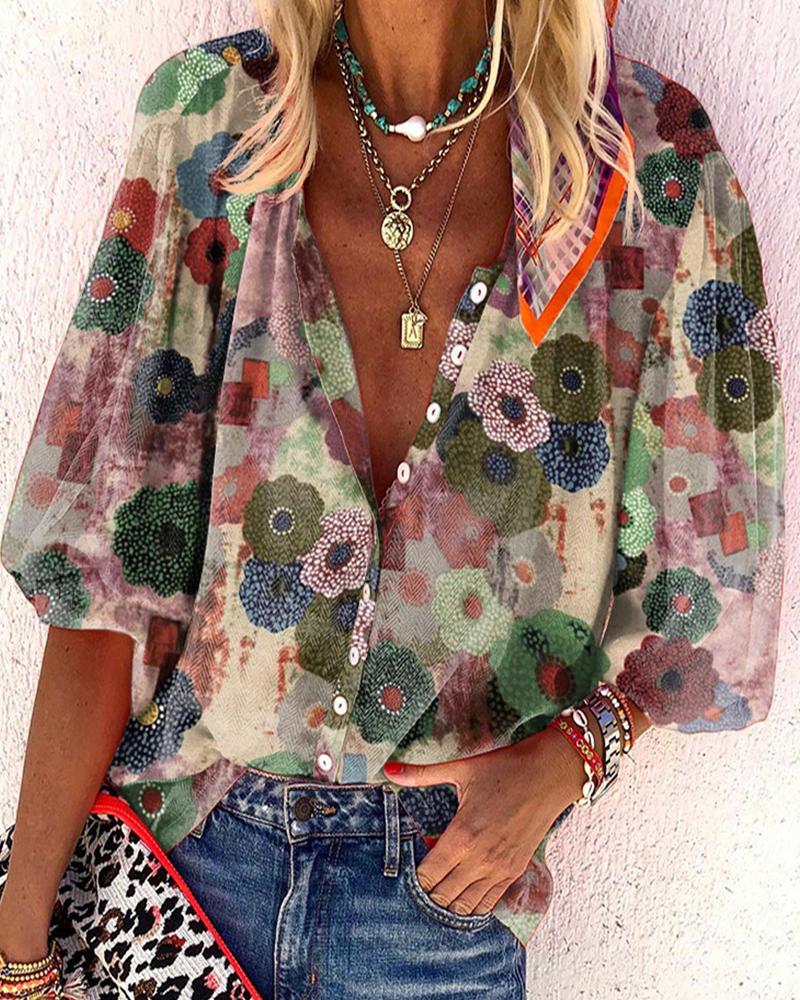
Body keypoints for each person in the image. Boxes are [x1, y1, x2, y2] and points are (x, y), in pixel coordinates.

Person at [0, 0, 786, 997]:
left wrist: (567, 761)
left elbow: (716, 574)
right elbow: (101, 577)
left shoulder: (647, 167)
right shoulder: (210, 120)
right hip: (185, 868)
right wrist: (19, 943)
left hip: (438, 910)